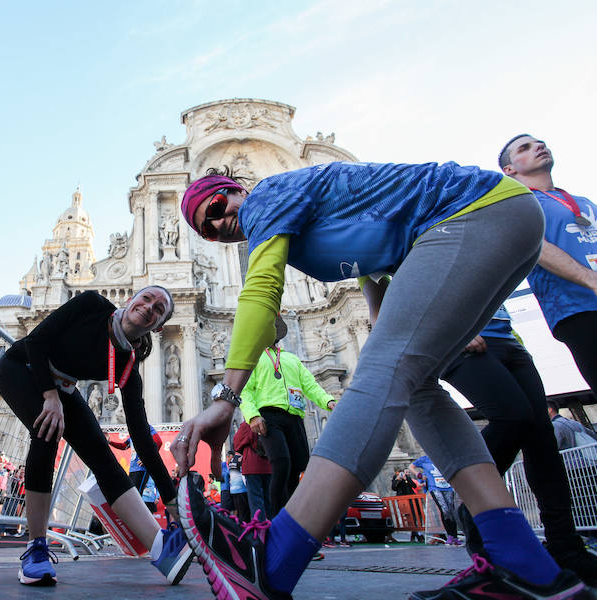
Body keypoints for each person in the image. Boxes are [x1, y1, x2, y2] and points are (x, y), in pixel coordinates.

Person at [172, 163, 588, 600]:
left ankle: (274, 558)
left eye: (216, 206)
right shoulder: (292, 212)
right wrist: (378, 312)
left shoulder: (267, 197)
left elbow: (260, 290)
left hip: (477, 213)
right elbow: (375, 255)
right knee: (420, 388)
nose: (220, 223)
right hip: (493, 218)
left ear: (235, 190)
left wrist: (226, 397)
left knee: (382, 368)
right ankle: (523, 563)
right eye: (209, 231)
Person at [0, 286, 194, 587]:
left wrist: (172, 499)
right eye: (147, 298)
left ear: (158, 325)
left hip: (62, 389)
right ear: (131, 300)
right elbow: (35, 342)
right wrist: (49, 396)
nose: (149, 307)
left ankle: (161, 549)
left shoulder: (129, 367)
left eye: (158, 308)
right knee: (47, 430)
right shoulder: (91, 304)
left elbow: (141, 437)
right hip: (21, 368)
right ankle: (35, 549)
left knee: (104, 458)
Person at [440, 307, 597, 582]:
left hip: (509, 341)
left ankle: (565, 545)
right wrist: (451, 327)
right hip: (459, 339)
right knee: (512, 418)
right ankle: (471, 500)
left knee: (543, 441)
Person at [499, 135, 597, 398]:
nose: (539, 147)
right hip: (577, 310)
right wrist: (591, 280)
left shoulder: (583, 201)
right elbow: (535, 246)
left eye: (540, 143)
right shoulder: (516, 203)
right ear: (509, 170)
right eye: (525, 148)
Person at [240, 316, 336, 517]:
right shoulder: (253, 357)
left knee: (299, 465)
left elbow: (310, 386)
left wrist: (328, 401)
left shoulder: (292, 359)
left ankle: (292, 516)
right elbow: (246, 391)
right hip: (268, 417)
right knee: (281, 463)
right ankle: (277, 518)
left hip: (294, 416)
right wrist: (252, 416)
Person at [409, 455, 460, 545]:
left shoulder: (445, 457)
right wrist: (418, 475)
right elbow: (411, 466)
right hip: (435, 487)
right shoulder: (424, 459)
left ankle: (454, 537)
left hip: (447, 486)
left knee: (451, 511)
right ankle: (450, 536)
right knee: (445, 510)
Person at [107, 424, 164, 495]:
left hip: (141, 469)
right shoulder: (133, 431)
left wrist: (146, 458)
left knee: (137, 495)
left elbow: (158, 442)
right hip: (132, 469)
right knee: (131, 495)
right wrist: (110, 442)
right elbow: (124, 446)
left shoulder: (146, 426)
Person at [233, 420, 272, 520]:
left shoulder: (248, 423)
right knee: (269, 499)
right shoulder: (268, 420)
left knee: (256, 500)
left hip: (252, 466)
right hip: (268, 466)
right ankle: (272, 524)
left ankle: (260, 528)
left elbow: (237, 444)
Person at [227, 450, 250, 522]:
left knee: (239, 512)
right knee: (245, 513)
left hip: (233, 490)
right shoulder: (241, 459)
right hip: (242, 489)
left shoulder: (231, 461)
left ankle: (239, 529)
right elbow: (243, 474)